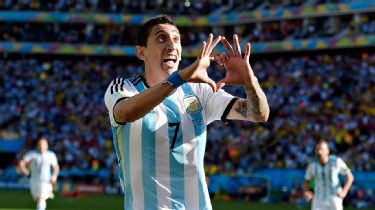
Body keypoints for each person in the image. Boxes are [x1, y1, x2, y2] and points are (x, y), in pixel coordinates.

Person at [104, 14, 269, 210]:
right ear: (141, 52)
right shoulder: (124, 88)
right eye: (161, 38)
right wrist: (180, 77)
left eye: (176, 39)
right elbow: (125, 113)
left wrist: (251, 83)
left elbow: (259, 114)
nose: (172, 45)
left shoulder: (200, 91)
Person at [303, 140, 354, 210]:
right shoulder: (312, 165)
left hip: (334, 198)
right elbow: (306, 180)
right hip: (318, 199)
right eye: (317, 149)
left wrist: (344, 192)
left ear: (327, 151)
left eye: (322, 149)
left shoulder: (336, 161)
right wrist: (306, 192)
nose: (319, 152)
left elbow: (350, 176)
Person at [19, 137, 60, 210]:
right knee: (38, 198)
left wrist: (54, 176)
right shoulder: (32, 154)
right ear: (37, 146)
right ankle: (48, 193)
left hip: (45, 180)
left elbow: (56, 167)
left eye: (43, 144)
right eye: (40, 144)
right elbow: (22, 162)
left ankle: (47, 193)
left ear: (47, 146)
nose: (41, 146)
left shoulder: (50, 155)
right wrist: (25, 171)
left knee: (41, 198)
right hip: (34, 180)